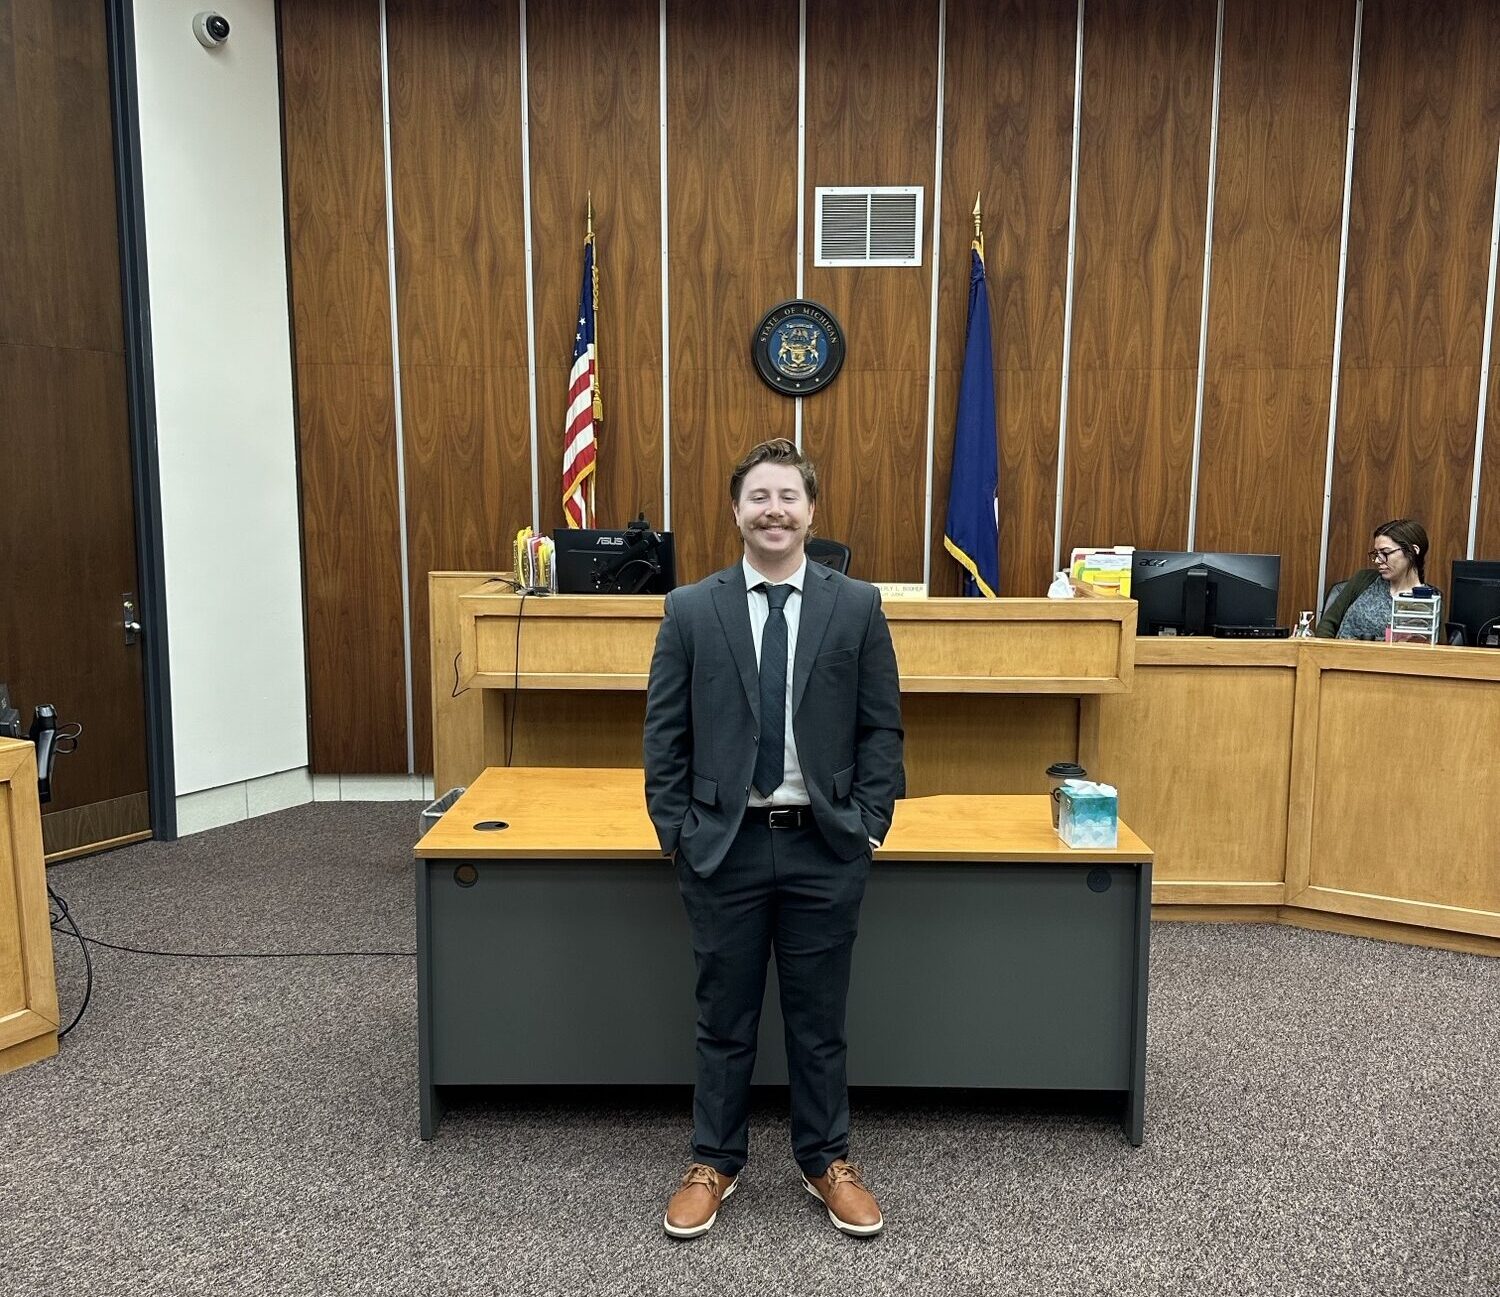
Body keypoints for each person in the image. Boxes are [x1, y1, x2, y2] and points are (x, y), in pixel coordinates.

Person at [643, 438, 904, 1240]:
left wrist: (867, 825)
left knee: (817, 1017)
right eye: (759, 496)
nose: (774, 510)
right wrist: (676, 832)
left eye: (788, 496)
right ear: (736, 510)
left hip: (825, 844)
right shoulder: (692, 607)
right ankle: (713, 1160)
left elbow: (880, 726)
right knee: (723, 1016)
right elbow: (665, 733)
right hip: (724, 844)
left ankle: (825, 1157)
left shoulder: (855, 605)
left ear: (811, 509)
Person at [1316, 518, 1434, 640]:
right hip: (1337, 656)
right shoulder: (1363, 579)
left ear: (1413, 551)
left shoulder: (1429, 602)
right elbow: (1328, 624)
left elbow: (1435, 649)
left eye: (1386, 553)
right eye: (1376, 554)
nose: (1378, 560)